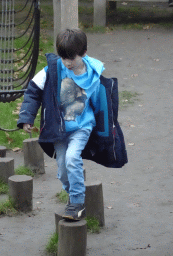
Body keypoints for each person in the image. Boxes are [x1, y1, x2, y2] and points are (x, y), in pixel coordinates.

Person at [17, 28, 128, 221]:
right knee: (62, 167)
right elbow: (33, 90)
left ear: (83, 53)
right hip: (58, 128)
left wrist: (104, 129)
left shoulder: (94, 74)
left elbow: (100, 104)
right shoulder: (52, 69)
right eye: (63, 57)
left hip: (82, 127)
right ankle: (72, 193)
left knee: (71, 158)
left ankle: (77, 202)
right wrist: (27, 117)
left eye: (71, 58)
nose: (67, 62)